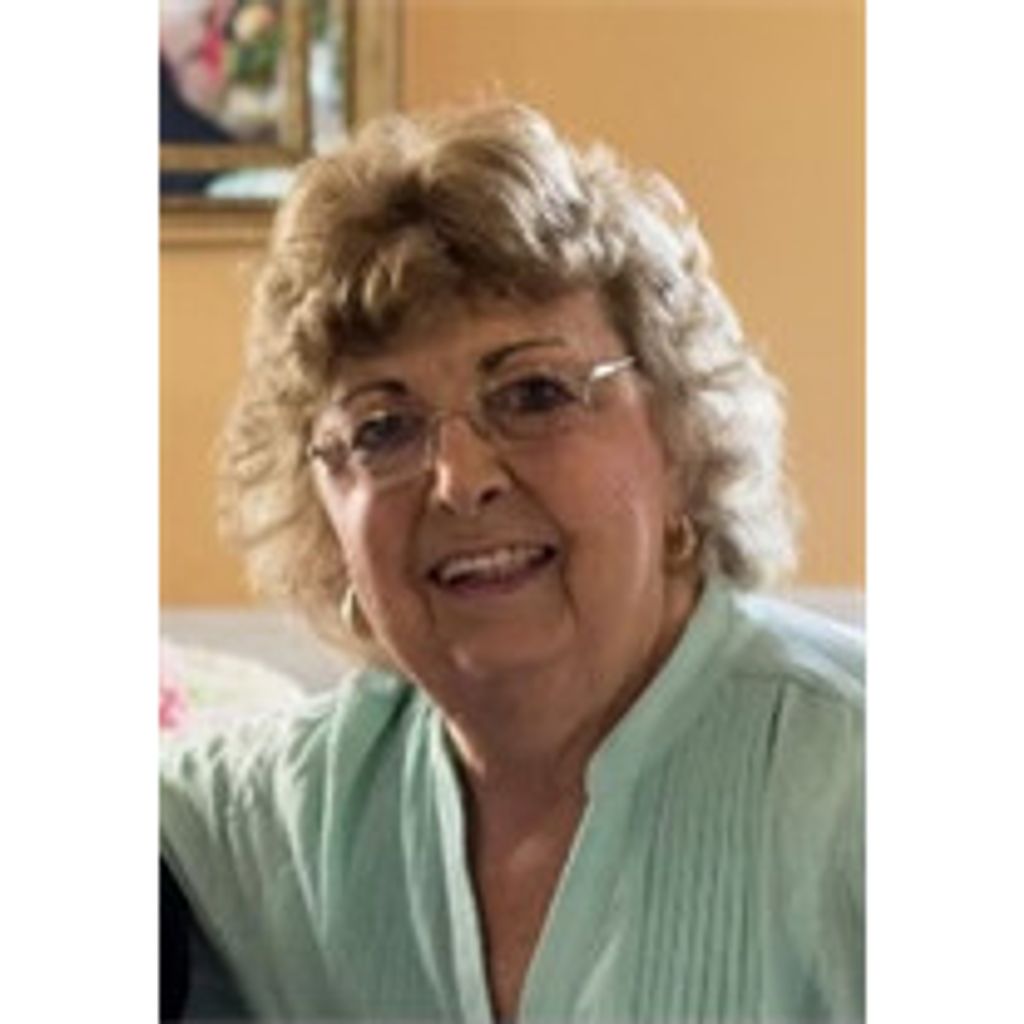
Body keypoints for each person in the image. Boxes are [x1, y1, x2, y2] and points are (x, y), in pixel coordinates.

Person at [160, 101, 864, 1023]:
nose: (460, 480)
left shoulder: (865, 778)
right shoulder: (273, 827)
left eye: (534, 394)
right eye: (382, 428)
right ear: (322, 511)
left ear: (679, 438)